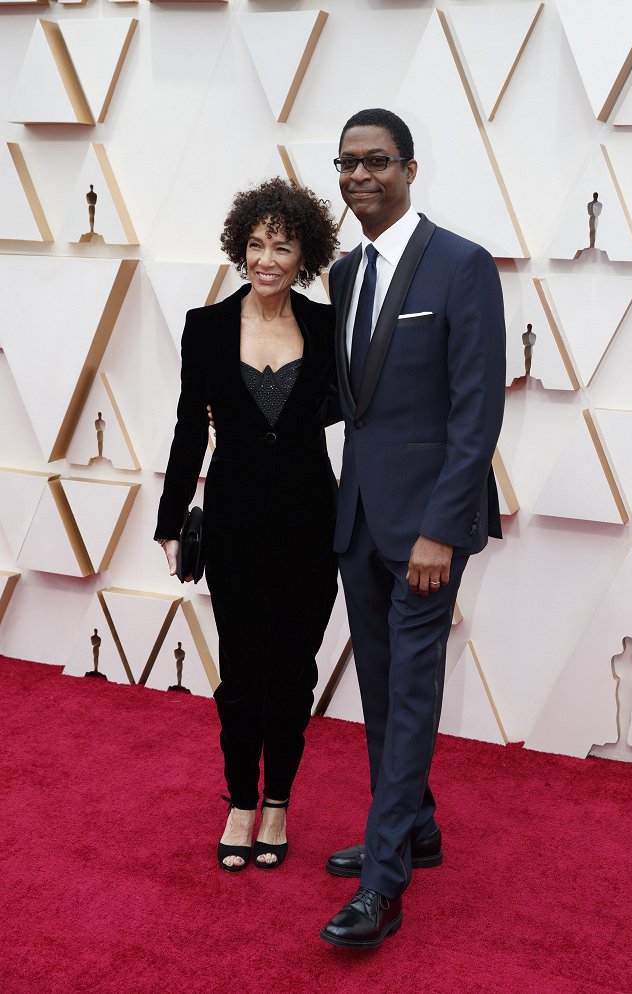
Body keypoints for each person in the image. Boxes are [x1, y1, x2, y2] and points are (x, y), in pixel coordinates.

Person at [319, 109, 506, 948]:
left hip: (428, 528)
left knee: (411, 692)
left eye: (376, 161)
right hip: (358, 519)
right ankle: (413, 829)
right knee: (382, 688)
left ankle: (383, 883)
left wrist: (440, 528)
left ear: (410, 168)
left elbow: (477, 409)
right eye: (347, 163)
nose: (360, 176)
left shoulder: (462, 265)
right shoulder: (343, 273)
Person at [154, 178, 339, 872]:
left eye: (282, 245)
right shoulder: (206, 326)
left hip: (310, 525)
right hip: (231, 526)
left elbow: (359, 406)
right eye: (257, 243)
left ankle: (281, 801)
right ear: (241, 248)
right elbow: (185, 430)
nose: (267, 258)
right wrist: (171, 521)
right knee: (240, 673)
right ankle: (239, 800)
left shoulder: (325, 325)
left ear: (304, 255)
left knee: (293, 672)